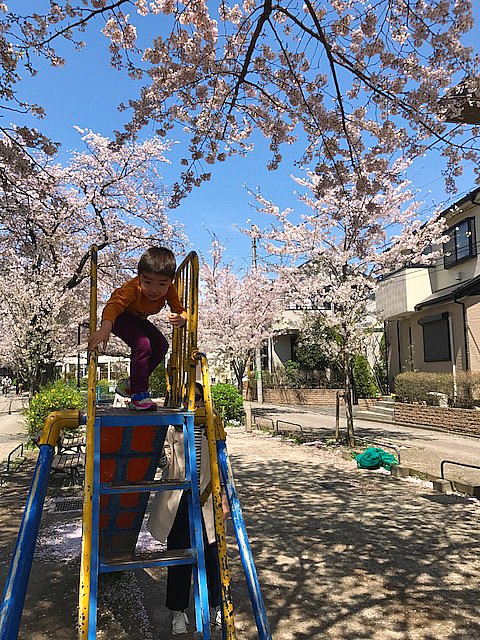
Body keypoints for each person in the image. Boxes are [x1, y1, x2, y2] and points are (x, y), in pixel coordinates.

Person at [147, 382, 229, 635]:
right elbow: (166, 462)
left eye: (198, 399)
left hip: (206, 498)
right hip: (179, 500)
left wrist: (224, 496)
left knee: (213, 557)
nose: (195, 404)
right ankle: (178, 611)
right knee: (180, 558)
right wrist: (155, 450)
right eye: (189, 400)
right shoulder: (175, 427)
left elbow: (223, 466)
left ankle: (216, 605)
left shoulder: (212, 427)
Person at [87, 247, 187, 411]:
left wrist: (182, 318)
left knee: (161, 345)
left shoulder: (169, 290)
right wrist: (105, 329)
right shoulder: (132, 289)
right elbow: (113, 306)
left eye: (162, 284)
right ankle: (138, 395)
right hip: (120, 317)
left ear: (170, 281)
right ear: (139, 276)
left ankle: (131, 384)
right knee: (143, 344)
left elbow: (179, 309)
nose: (154, 289)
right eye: (147, 282)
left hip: (138, 319)